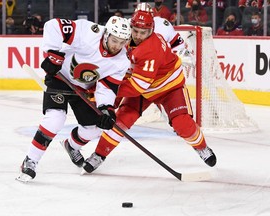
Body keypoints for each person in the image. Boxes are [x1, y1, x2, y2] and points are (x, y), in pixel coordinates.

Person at [80, 8, 217, 174]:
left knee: (182, 124)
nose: (138, 35)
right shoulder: (124, 38)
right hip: (142, 88)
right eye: (135, 31)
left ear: (151, 30)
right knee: (120, 120)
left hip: (168, 87)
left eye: (143, 32)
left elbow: (137, 87)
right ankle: (99, 155)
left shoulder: (150, 48)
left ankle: (201, 147)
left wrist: (106, 89)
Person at [16, 15, 131, 182]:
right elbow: (53, 25)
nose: (117, 46)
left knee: (93, 129)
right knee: (55, 119)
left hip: (82, 89)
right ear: (106, 34)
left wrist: (106, 108)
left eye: (122, 42)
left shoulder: (122, 61)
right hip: (60, 77)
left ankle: (71, 145)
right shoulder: (88, 32)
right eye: (115, 40)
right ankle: (30, 160)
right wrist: (53, 54)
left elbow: (106, 86)